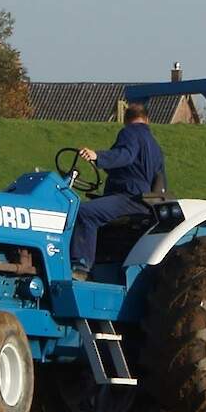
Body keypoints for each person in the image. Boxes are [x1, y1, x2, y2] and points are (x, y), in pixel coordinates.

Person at [70, 102, 165, 280]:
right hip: (144, 202)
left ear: (126, 120)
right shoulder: (155, 146)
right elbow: (158, 179)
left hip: (128, 197)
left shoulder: (130, 133)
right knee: (94, 207)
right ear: (147, 119)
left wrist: (98, 156)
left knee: (84, 212)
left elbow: (125, 155)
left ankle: (80, 265)